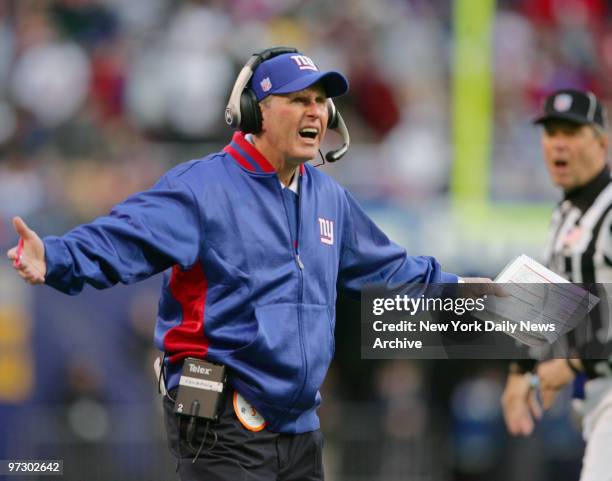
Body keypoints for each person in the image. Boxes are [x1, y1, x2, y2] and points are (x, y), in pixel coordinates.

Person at [7, 47, 484, 481]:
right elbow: (124, 237)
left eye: (320, 101)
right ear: (257, 111)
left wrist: (463, 290)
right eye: (299, 100)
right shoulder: (203, 188)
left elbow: (393, 270)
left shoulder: (328, 198)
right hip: (220, 426)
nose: (315, 111)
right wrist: (56, 256)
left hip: (300, 429)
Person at [501, 88, 612, 481]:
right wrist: (520, 369)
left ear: (602, 141)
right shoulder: (565, 212)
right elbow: (549, 295)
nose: (558, 144)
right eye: (551, 133)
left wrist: (575, 361)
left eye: (572, 132)